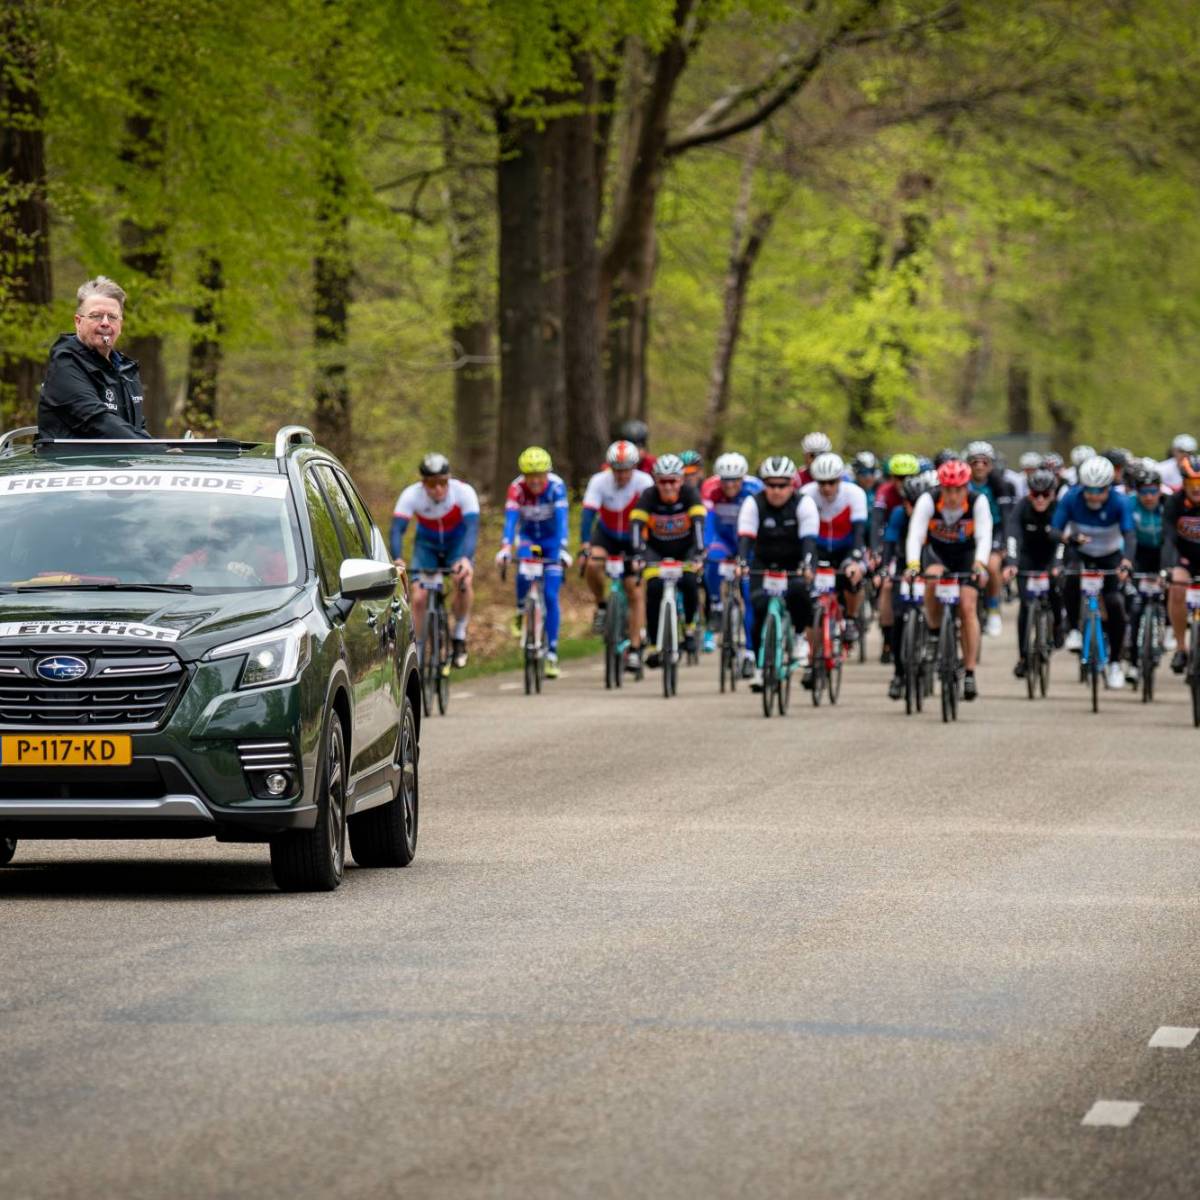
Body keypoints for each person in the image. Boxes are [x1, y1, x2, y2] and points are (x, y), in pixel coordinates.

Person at [905, 458, 992, 700]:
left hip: (966, 556)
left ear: (966, 487)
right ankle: (934, 632)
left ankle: (970, 672)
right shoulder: (928, 500)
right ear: (941, 487)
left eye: (958, 490)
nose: (953, 495)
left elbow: (984, 536)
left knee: (967, 606)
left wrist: (980, 563)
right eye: (948, 490)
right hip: (938, 554)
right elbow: (915, 535)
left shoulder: (977, 501)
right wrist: (912, 565)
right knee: (931, 579)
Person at [1050, 454, 1133, 690]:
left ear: (1108, 486)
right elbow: (1054, 530)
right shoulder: (1071, 498)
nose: (1094, 496)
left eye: (1100, 490)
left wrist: (1126, 561)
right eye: (1089, 490)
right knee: (1070, 577)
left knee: (1115, 604)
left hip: (1109, 555)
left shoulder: (1120, 502)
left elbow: (1130, 535)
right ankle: (1074, 629)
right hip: (1080, 552)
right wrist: (1069, 538)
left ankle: (1115, 662)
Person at [736, 456, 819, 691]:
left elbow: (809, 542)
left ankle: (801, 637)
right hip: (764, 562)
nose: (776, 491)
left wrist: (808, 566)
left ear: (791, 485)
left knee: (799, 592)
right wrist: (742, 562)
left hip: (794, 562)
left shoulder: (804, 504)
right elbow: (745, 539)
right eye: (771, 485)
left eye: (782, 485)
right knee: (758, 605)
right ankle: (761, 667)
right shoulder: (754, 503)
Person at [390, 452, 480, 670]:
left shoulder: (464, 492)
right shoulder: (411, 495)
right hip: (427, 547)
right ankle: (418, 651)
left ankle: (459, 634)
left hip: (456, 545)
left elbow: (472, 529)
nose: (438, 489)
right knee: (419, 596)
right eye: (432, 484)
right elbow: (397, 530)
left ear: (449, 480)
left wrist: (466, 560)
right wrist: (398, 557)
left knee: (464, 581)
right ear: (423, 483)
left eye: (442, 482)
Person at [38, 276, 150, 441]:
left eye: (112, 317)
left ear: (121, 324)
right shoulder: (65, 366)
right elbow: (99, 423)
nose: (105, 323)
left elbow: (137, 429)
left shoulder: (126, 370)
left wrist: (162, 453)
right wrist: (158, 451)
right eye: (96, 316)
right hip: (74, 465)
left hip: (121, 465)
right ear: (78, 322)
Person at [497, 446, 571, 679]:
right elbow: (510, 520)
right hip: (528, 539)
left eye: (540, 476)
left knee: (550, 595)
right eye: (531, 476)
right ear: (524, 476)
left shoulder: (557, 487)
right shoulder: (516, 489)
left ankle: (552, 654)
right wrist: (506, 547)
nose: (536, 481)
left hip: (551, 542)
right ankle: (521, 609)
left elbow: (562, 520)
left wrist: (562, 548)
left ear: (547, 474)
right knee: (523, 573)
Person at [579, 440, 653, 671]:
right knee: (592, 564)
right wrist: (584, 545)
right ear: (609, 467)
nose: (621, 476)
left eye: (626, 470)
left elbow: (651, 516)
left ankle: (635, 646)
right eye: (617, 470)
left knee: (635, 591)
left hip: (633, 538)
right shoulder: (599, 481)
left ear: (634, 467)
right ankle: (602, 606)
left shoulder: (644, 482)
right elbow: (588, 514)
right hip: (607, 534)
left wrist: (645, 547)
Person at [630, 455, 706, 668]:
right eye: (663, 481)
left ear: (681, 480)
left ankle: (690, 627)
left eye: (673, 481)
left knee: (690, 581)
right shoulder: (648, 496)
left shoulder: (690, 494)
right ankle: (654, 644)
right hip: (656, 550)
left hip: (686, 549)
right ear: (656, 481)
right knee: (653, 589)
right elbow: (636, 526)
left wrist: (699, 553)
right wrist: (637, 554)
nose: (668, 486)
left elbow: (699, 525)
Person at [799, 452, 868, 647]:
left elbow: (859, 532)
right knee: (806, 591)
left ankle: (852, 618)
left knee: (853, 576)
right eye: (822, 483)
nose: (827, 488)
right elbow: (804, 535)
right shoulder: (806, 493)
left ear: (840, 479)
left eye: (832, 482)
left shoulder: (854, 493)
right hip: (818, 547)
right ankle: (812, 654)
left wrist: (855, 559)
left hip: (845, 547)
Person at [700, 452, 762, 666]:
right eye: (726, 480)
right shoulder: (710, 488)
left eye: (735, 480)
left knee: (748, 595)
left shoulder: (755, 489)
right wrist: (705, 547)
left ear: (743, 478)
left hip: (749, 540)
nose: (730, 485)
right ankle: (716, 604)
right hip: (723, 538)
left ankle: (750, 651)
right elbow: (707, 520)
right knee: (712, 561)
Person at [1003, 467, 1062, 678]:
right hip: (1027, 559)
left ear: (1053, 494)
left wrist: (1057, 564)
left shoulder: (1058, 509)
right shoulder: (1022, 507)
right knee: (1026, 607)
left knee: (1056, 591)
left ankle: (1057, 626)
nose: (1039, 499)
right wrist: (1011, 562)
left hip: (1051, 557)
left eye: (1045, 495)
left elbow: (1063, 540)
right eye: (1035, 494)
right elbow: (1012, 535)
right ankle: (1023, 657)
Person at [964, 441, 1015, 637]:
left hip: (995, 529)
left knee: (992, 566)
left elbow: (1008, 517)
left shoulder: (999, 484)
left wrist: (1004, 545)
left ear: (991, 465)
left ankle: (993, 609)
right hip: (969, 529)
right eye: (975, 462)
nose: (979, 466)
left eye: (984, 462)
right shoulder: (963, 483)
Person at [1161, 454, 1200, 672]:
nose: (1196, 489)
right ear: (1184, 483)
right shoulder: (1174, 503)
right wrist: (1167, 569)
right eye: (1192, 483)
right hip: (1185, 558)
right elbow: (1168, 538)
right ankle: (1181, 647)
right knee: (1176, 589)